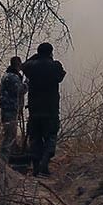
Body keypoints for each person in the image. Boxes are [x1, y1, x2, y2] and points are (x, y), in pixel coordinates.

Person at [20, 42, 65, 177]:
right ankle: (44, 164)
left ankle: (36, 168)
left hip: (35, 109)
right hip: (50, 109)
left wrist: (35, 57)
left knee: (35, 138)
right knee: (50, 137)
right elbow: (61, 76)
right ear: (50, 52)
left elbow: (24, 66)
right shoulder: (55, 66)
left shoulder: (32, 66)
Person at [0, 56, 26, 152]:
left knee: (10, 134)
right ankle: (4, 157)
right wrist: (27, 84)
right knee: (9, 135)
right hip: (10, 108)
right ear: (18, 65)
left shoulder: (7, 75)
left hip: (8, 108)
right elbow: (20, 90)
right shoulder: (12, 77)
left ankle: (10, 156)